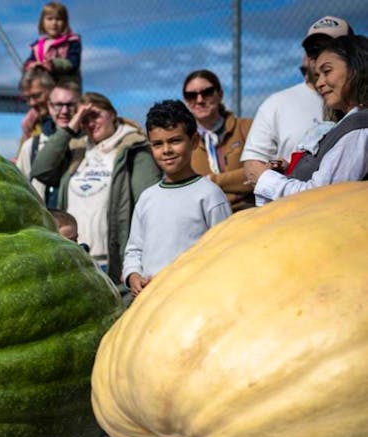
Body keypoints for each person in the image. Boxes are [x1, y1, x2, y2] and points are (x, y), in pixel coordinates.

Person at [32, 92, 161, 283]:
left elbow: (149, 207)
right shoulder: (76, 149)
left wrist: (137, 264)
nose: (90, 123)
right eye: (84, 119)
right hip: (75, 257)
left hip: (113, 262)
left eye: (95, 115)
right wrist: (70, 127)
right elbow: (40, 169)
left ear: (112, 114)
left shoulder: (134, 148)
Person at [123, 100, 231, 299]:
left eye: (175, 141)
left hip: (193, 300)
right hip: (149, 301)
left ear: (194, 141)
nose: (166, 150)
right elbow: (134, 249)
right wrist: (133, 275)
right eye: (157, 144)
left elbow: (226, 251)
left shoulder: (210, 195)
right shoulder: (147, 198)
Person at [252, 34, 368, 206]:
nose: (320, 83)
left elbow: (321, 196)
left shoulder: (358, 128)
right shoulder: (348, 125)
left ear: (355, 68)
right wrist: (293, 168)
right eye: (317, 75)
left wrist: (266, 180)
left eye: (327, 71)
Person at [241, 16, 354, 188]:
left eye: (331, 47)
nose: (319, 56)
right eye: (313, 49)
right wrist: (284, 174)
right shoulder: (276, 104)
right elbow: (253, 163)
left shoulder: (358, 113)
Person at [182, 70, 254, 211]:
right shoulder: (184, 143)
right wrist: (236, 181)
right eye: (191, 95)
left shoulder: (246, 128)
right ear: (186, 101)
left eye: (207, 92)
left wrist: (211, 181)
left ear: (220, 94)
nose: (199, 100)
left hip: (250, 212)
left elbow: (261, 174)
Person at [23, 2, 82, 84]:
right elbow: (30, 61)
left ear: (65, 23)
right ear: (42, 22)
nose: (54, 23)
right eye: (50, 19)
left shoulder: (71, 42)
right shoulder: (38, 46)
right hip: (44, 84)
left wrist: (54, 64)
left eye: (58, 19)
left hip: (66, 84)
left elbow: (73, 62)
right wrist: (32, 64)